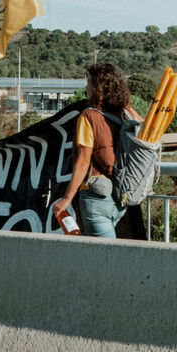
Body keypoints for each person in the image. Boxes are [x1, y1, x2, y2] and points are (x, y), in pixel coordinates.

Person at [52, 62, 143, 239]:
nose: (86, 88)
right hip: (121, 197)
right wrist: (127, 106)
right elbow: (147, 135)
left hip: (96, 198)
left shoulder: (88, 117)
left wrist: (67, 198)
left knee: (103, 253)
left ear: (98, 89)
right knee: (100, 250)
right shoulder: (125, 115)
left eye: (89, 83)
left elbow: (83, 162)